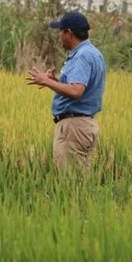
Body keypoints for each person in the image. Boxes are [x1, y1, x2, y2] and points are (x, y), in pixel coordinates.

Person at [26, 11, 106, 170]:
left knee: (70, 183)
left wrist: (47, 81)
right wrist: (56, 81)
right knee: (80, 180)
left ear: (69, 32)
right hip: (84, 125)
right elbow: (81, 85)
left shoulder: (81, 56)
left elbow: (76, 91)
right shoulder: (93, 53)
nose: (59, 36)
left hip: (74, 127)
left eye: (60, 32)